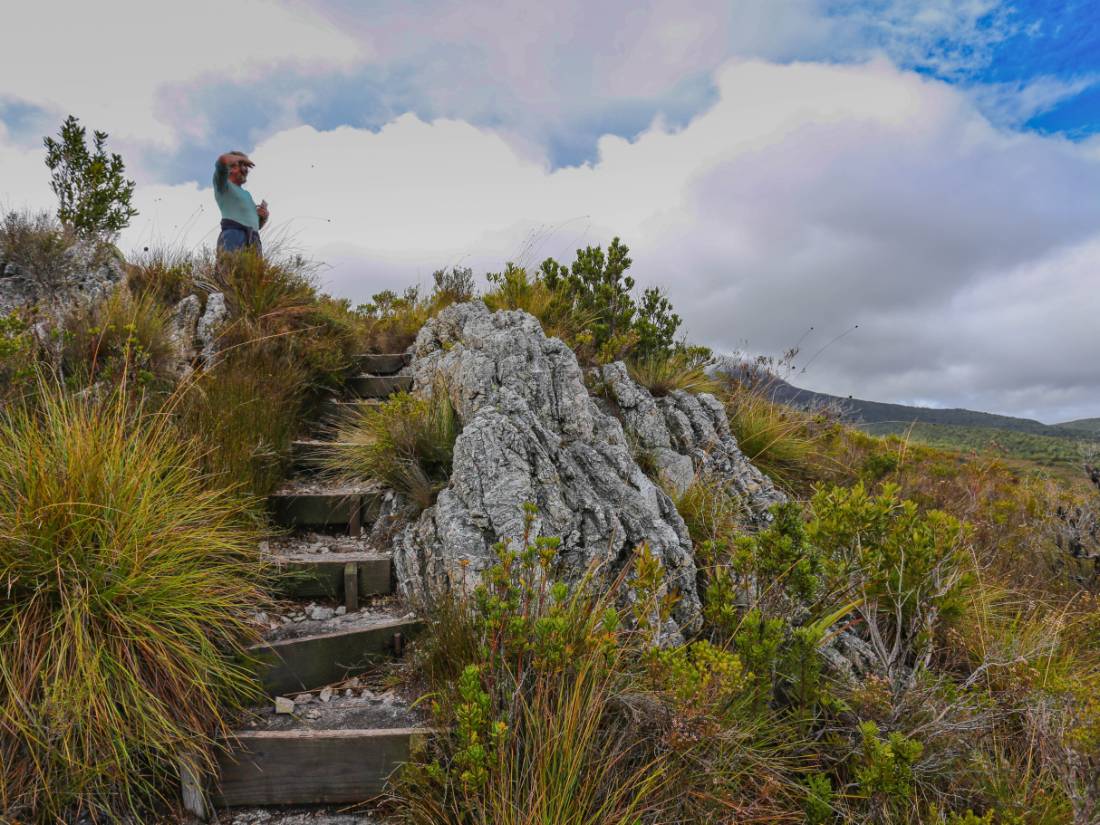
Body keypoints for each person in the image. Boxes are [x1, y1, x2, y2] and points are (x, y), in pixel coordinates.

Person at [213, 151, 269, 254]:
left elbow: (256, 225)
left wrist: (262, 217)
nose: (245, 170)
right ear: (230, 168)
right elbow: (222, 160)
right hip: (233, 236)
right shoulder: (223, 186)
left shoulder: (247, 194)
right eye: (242, 166)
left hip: (254, 240)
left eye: (246, 167)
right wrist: (239, 158)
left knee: (253, 270)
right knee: (231, 269)